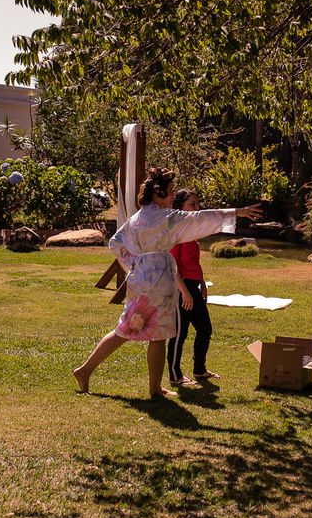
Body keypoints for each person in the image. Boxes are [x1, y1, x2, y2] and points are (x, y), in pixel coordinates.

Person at [73, 168, 262, 398]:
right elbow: (200, 219)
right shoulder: (165, 217)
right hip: (158, 279)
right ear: (157, 192)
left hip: (141, 277)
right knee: (153, 333)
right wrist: (238, 212)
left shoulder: (138, 217)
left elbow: (115, 243)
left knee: (131, 329)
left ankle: (93, 372)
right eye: (170, 191)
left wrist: (135, 262)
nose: (173, 196)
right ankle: (146, 387)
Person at [166, 189, 217, 387]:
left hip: (193, 285)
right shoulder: (176, 231)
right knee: (180, 333)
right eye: (192, 204)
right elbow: (172, 264)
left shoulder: (191, 230)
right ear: (180, 207)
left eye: (197, 204)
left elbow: (193, 261)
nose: (197, 208)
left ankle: (199, 369)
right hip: (181, 287)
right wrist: (184, 291)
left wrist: (201, 282)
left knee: (205, 328)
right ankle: (174, 375)